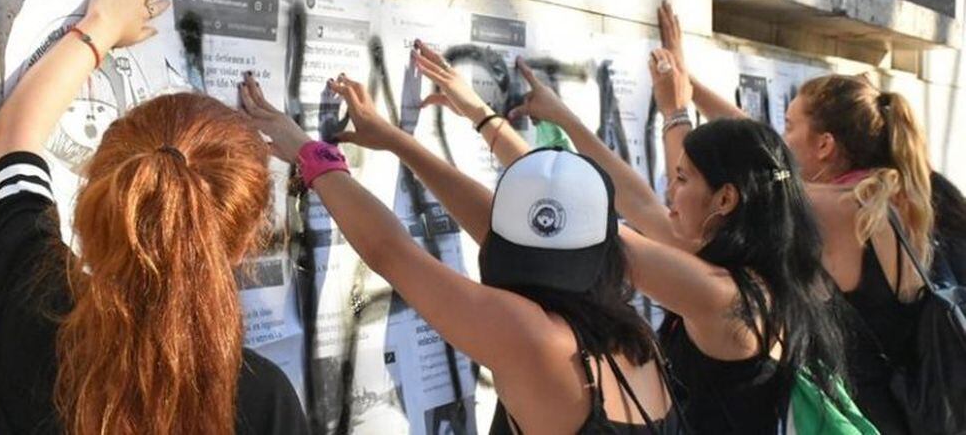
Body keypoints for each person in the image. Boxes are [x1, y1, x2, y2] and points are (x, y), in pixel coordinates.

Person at [377, 40, 849, 433]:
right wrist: (561, 120)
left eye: (683, 180)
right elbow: (635, 201)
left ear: (725, 200)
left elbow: (568, 224)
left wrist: (474, 122)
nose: (669, 190)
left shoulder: (720, 296)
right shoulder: (763, 277)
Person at [239, 72, 683, 434]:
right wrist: (396, 141)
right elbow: (497, 221)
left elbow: (391, 251)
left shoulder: (537, 339)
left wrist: (310, 154)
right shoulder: (635, 337)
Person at [0, 0, 307, 434]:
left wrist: (99, 28)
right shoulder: (262, 400)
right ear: (241, 245)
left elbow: (13, 139)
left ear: (99, 194)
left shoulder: (34, 306)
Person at [654, 0, 934, 434]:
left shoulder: (837, 209)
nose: (781, 137)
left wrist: (676, 115)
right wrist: (689, 86)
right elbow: (759, 153)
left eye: (788, 125)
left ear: (824, 146)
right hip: (895, 414)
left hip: (857, 418)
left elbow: (759, 169)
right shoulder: (892, 197)